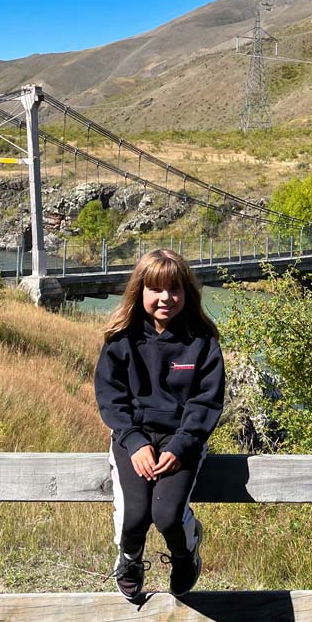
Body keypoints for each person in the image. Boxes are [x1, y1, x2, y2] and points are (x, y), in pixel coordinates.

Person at [95, 248, 225, 601]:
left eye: (175, 289)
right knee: (135, 515)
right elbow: (111, 397)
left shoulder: (202, 342)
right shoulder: (121, 340)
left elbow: (206, 401)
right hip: (132, 437)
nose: (166, 298)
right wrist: (134, 441)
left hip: (182, 439)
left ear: (187, 294)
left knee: (167, 515)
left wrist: (182, 445)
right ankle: (130, 559)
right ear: (140, 292)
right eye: (156, 290)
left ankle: (185, 554)